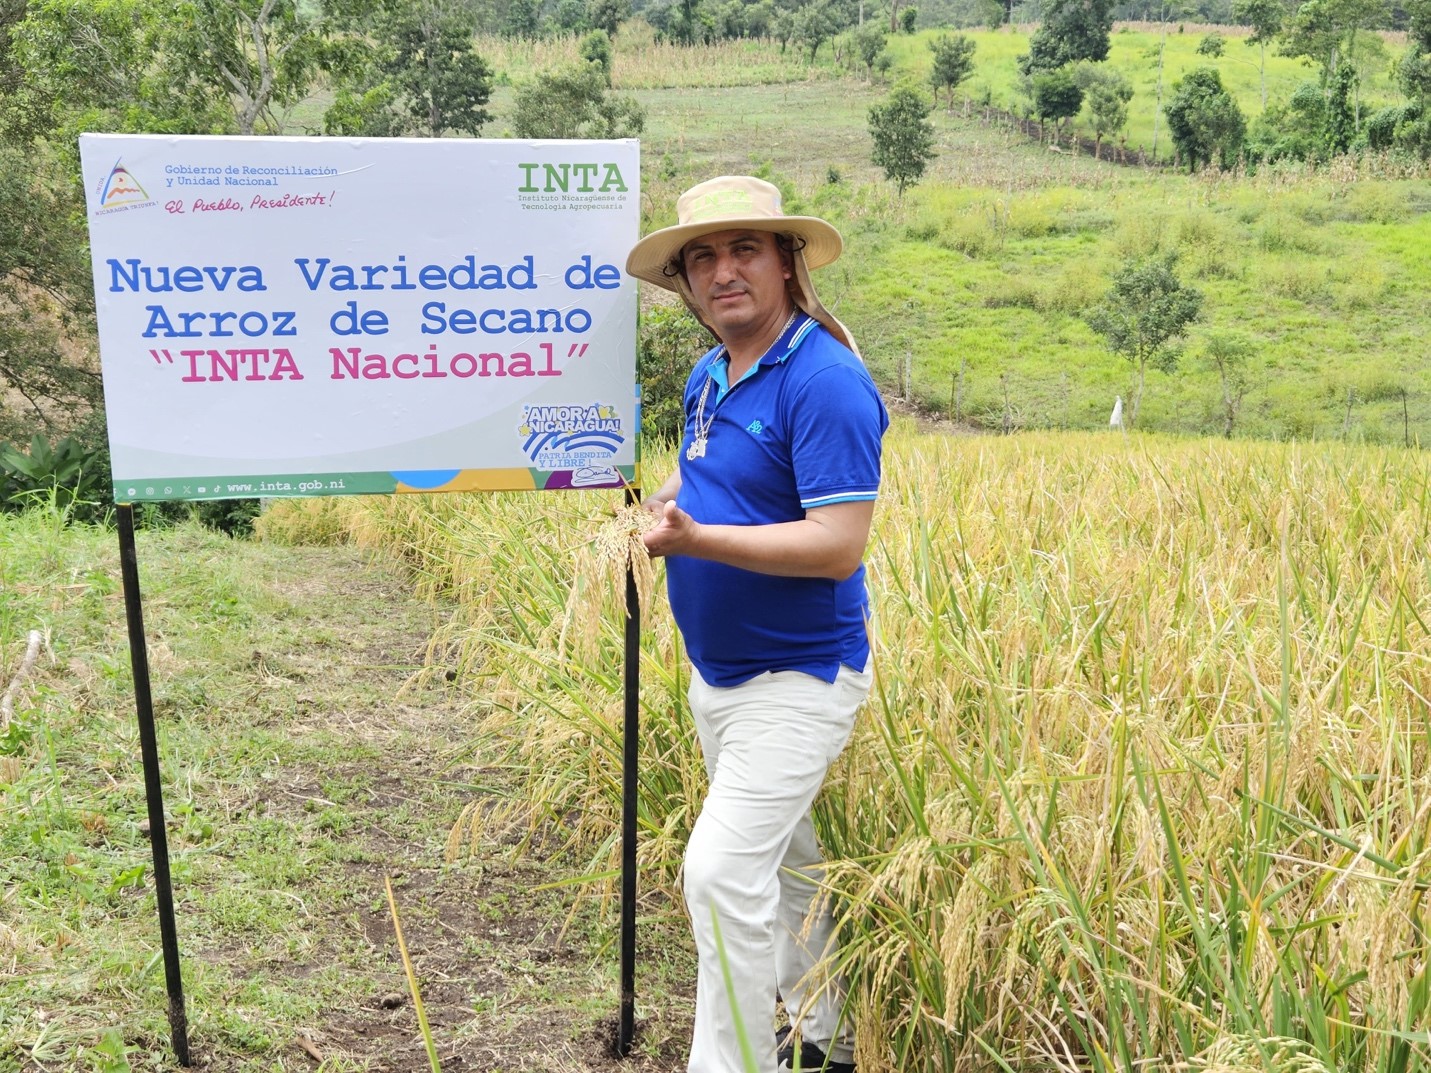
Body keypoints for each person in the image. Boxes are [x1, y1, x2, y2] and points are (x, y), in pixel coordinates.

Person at [625, 176, 889, 1073]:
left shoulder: (823, 379)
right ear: (688, 282)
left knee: (719, 874)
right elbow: (692, 482)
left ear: (786, 261)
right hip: (723, 674)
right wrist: (645, 505)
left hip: (799, 677)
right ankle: (824, 1041)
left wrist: (700, 540)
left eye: (744, 250)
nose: (722, 271)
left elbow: (836, 543)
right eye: (702, 256)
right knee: (783, 865)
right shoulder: (712, 373)